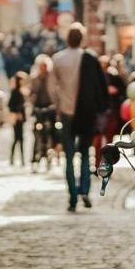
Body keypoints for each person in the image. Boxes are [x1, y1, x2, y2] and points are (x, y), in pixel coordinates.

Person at [48, 22, 109, 212]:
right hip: (86, 113)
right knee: (84, 154)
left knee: (68, 156)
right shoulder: (89, 58)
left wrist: (59, 105)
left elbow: (51, 88)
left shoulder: (58, 59)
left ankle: (72, 197)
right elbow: (101, 87)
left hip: (66, 112)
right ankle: (84, 190)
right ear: (82, 39)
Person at [29, 54, 58, 171]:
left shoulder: (52, 78)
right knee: (37, 132)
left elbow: (56, 92)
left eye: (45, 66)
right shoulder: (35, 78)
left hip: (50, 108)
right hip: (38, 109)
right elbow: (31, 93)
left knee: (52, 130)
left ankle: (52, 152)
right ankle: (35, 157)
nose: (43, 68)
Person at [7, 71, 29, 166]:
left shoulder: (21, 91)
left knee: (20, 139)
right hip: (17, 118)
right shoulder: (15, 91)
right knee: (17, 139)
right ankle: (14, 159)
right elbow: (10, 105)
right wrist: (17, 113)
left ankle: (22, 159)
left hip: (21, 118)